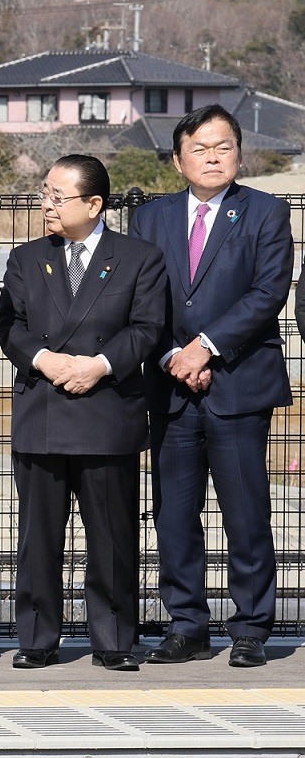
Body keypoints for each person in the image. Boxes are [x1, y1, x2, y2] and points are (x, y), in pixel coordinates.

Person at [128, 105, 293, 668]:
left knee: (246, 512)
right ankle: (187, 624)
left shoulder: (267, 211)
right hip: (171, 383)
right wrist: (176, 353)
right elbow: (141, 298)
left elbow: (268, 293)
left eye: (223, 146)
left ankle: (249, 628)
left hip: (239, 381)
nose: (213, 156)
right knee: (174, 514)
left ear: (239, 153)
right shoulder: (150, 218)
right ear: (178, 161)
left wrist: (208, 347)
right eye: (200, 148)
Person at [0, 155, 166, 672]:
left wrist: (99, 365)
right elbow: (10, 324)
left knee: (112, 536)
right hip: (42, 411)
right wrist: (46, 360)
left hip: (107, 411)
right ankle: (37, 637)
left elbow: (147, 327)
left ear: (95, 204)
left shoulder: (139, 257)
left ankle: (113, 640)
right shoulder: (26, 258)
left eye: (57, 196)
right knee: (37, 536)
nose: (46, 204)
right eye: (44, 193)